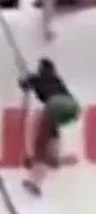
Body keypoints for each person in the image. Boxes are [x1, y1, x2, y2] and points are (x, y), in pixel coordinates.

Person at [19, 58, 81, 197]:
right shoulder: (56, 79)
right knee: (51, 134)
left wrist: (26, 78)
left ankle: (35, 180)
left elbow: (23, 85)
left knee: (43, 143)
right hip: (72, 107)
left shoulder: (38, 77)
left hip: (55, 105)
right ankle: (37, 178)